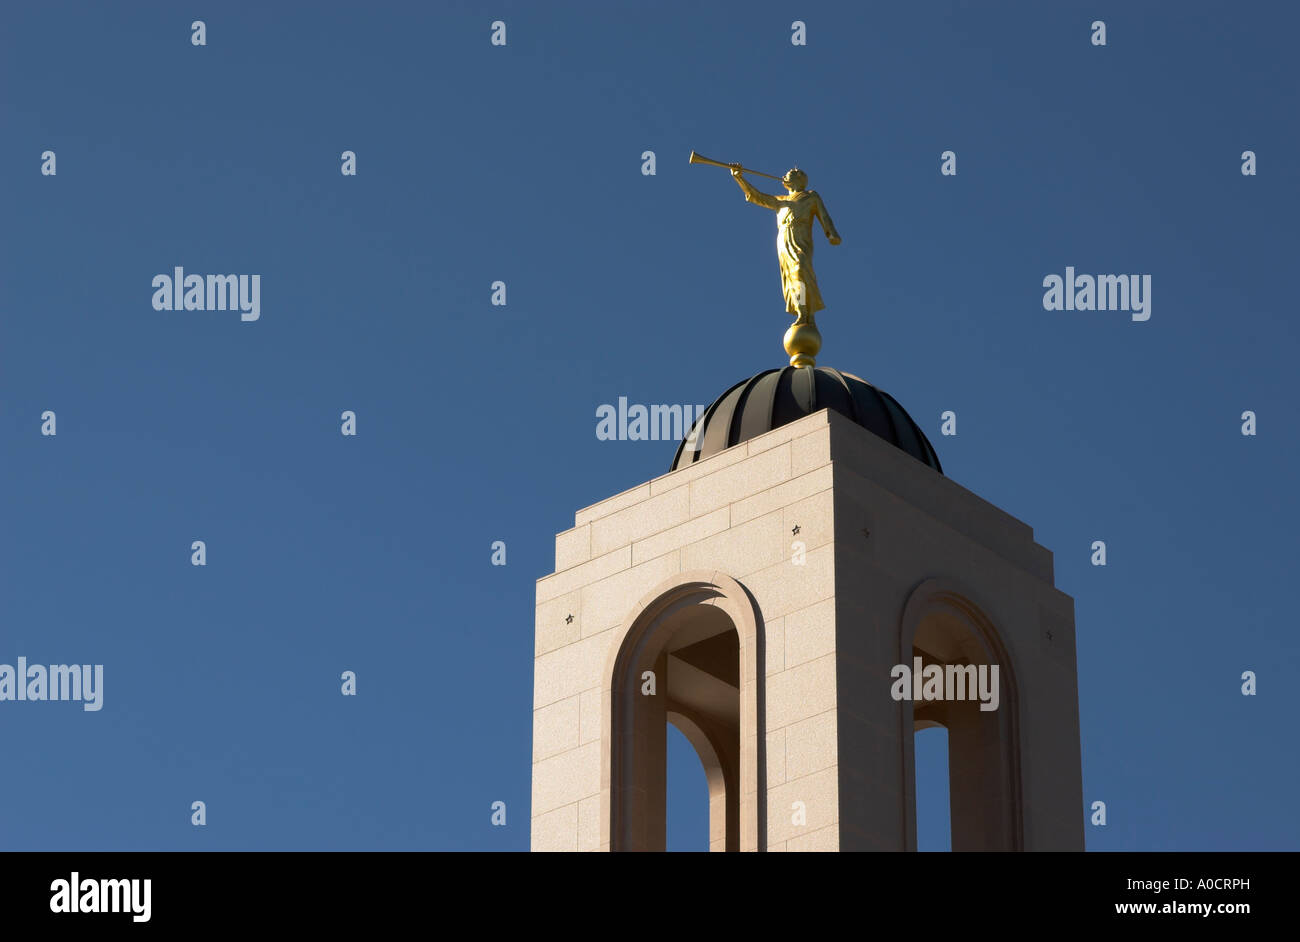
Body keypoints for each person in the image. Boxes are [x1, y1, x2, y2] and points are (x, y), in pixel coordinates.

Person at [730, 164, 841, 324]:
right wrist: (739, 177)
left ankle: (808, 311)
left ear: (800, 180)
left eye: (793, 173)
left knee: (801, 268)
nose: (787, 174)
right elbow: (756, 196)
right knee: (791, 276)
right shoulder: (780, 200)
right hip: (784, 239)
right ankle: (802, 311)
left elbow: (824, 216)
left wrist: (831, 233)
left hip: (801, 237)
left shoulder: (811, 196)